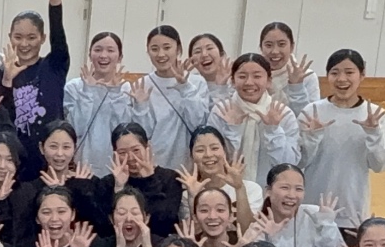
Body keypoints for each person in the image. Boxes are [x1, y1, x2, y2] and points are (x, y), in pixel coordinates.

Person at [296, 49, 385, 226]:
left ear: (362, 75)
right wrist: (312, 137)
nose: (342, 79)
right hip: (312, 208)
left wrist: (374, 134)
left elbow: (380, 165)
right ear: (327, 76)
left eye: (349, 72)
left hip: (352, 212)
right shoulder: (312, 112)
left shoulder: (375, 116)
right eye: (335, 73)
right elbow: (299, 161)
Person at [0, 0, 79, 144]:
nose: (24, 44)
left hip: (51, 153)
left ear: (43, 38)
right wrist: (7, 81)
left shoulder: (54, 66)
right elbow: (0, 120)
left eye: (31, 37)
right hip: (15, 155)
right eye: (18, 37)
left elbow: (58, 37)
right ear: (10, 37)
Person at [249, 164, 343, 247]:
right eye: (284, 188)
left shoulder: (316, 216)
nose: (292, 195)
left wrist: (328, 226)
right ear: (268, 191)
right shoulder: (259, 227)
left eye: (298, 189)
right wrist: (274, 239)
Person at [210, 53, 298, 187]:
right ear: (232, 81)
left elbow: (289, 164)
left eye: (257, 76)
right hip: (226, 190)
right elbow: (213, 160)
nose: (249, 82)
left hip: (269, 191)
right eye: (242, 76)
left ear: (269, 81)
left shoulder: (283, 114)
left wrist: (273, 130)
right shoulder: (221, 110)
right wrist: (233, 128)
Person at [63, 32, 146, 171]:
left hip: (118, 168)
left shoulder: (127, 89)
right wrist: (88, 91)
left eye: (110, 50)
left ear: (120, 57)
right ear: (90, 55)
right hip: (81, 168)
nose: (103, 55)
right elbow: (75, 129)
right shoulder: (74, 87)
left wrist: (115, 94)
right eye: (98, 50)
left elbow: (124, 132)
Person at [134, 25, 211, 171]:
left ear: (179, 49)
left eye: (167, 47)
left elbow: (198, 123)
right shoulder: (142, 85)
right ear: (148, 52)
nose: (161, 54)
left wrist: (185, 87)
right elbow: (142, 134)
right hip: (155, 165)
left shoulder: (196, 82)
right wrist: (141, 106)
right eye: (154, 49)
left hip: (189, 164)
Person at [257, 22, 320, 106]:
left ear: (292, 47)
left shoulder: (307, 76)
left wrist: (296, 87)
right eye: (268, 45)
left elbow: (312, 112)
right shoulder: (252, 75)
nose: (275, 51)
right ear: (261, 47)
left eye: (281, 44)